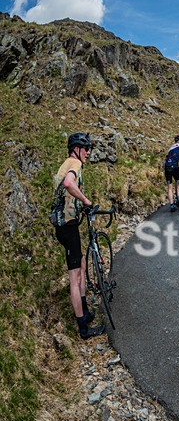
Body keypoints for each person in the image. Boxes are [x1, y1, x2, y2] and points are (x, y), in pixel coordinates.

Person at [53, 132, 106, 339]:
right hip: (67, 226)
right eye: (86, 149)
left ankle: (86, 311)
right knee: (74, 277)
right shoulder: (74, 165)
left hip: (65, 224)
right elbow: (68, 183)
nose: (88, 153)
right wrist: (85, 200)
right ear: (76, 149)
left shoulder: (66, 163)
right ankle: (83, 328)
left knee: (82, 264)